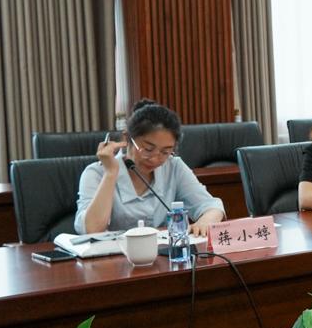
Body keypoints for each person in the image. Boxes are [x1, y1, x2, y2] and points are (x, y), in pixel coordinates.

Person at [75, 99, 226, 235]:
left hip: (162, 254)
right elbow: (91, 229)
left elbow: (212, 206)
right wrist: (110, 173)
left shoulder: (173, 166)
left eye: (165, 152)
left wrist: (205, 221)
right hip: (115, 256)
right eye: (148, 149)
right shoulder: (96, 173)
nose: (155, 159)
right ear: (127, 138)